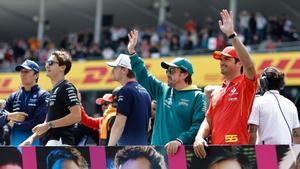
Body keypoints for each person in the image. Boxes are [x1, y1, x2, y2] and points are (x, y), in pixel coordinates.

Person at [127, 30, 207, 155]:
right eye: (167, 71)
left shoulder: (198, 96)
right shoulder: (162, 90)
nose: (168, 74)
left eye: (172, 71)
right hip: (156, 154)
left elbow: (198, 126)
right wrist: (132, 52)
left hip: (180, 155)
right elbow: (143, 74)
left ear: (184, 74)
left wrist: (179, 141)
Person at [193, 9, 258, 158]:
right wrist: (199, 137)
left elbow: (250, 66)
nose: (222, 62)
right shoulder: (217, 91)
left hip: (236, 151)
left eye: (226, 59)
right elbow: (208, 120)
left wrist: (232, 35)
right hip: (214, 153)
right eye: (221, 59)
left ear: (238, 63)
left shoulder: (245, 84)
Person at [22, 50, 81, 146]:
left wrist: (48, 125)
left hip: (61, 141)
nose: (47, 65)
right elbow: (47, 122)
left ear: (62, 67)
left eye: (51, 63)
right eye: (46, 62)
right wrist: (31, 139)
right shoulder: (54, 90)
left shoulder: (66, 87)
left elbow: (76, 116)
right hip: (51, 141)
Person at [0, 59, 49, 146]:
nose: (23, 74)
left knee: (29, 160)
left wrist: (15, 124)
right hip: (13, 146)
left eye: (26, 71)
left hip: (33, 145)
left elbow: (41, 123)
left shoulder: (43, 95)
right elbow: (1, 116)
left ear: (36, 75)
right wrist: (8, 116)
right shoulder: (13, 96)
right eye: (21, 72)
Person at [107, 54, 151, 146]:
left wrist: (109, 148)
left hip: (128, 151)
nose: (112, 71)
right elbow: (148, 126)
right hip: (143, 148)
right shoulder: (145, 92)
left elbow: (119, 124)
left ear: (124, 70)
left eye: (115, 68)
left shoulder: (125, 91)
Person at [248, 66, 300, 144]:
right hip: (288, 152)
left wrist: (249, 155)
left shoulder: (258, 102)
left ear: (263, 83)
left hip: (266, 151)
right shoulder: (290, 104)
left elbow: (251, 134)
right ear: (281, 84)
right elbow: (297, 135)